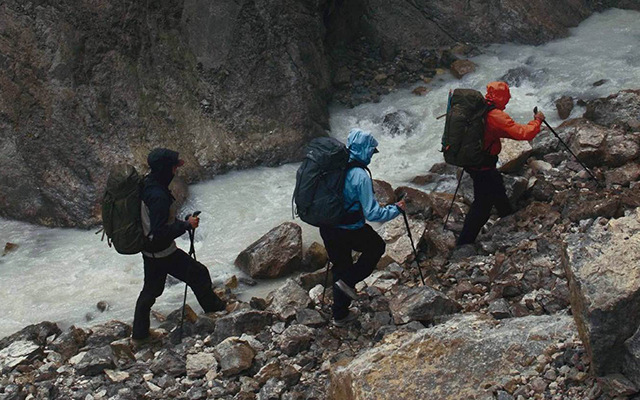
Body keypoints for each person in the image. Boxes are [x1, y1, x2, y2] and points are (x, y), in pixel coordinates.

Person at [132, 148, 226, 345]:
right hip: (162, 252)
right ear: (166, 168)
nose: (176, 170)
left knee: (151, 291)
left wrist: (179, 223)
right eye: (174, 166)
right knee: (199, 274)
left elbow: (154, 226)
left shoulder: (149, 184)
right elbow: (159, 232)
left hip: (150, 251)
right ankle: (218, 314)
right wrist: (186, 225)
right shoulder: (158, 195)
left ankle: (139, 335)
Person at [319, 129, 405, 326]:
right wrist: (395, 210)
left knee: (341, 265)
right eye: (372, 152)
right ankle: (348, 283)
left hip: (327, 226)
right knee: (376, 247)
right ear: (365, 150)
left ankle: (340, 315)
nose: (372, 156)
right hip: (350, 228)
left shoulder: (334, 165)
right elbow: (373, 214)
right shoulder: (359, 175)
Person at [457, 82, 545, 246]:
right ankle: (464, 243)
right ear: (500, 97)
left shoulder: (478, 108)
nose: (509, 98)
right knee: (482, 206)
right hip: (482, 165)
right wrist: (537, 121)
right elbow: (523, 133)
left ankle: (507, 215)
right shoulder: (495, 116)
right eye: (507, 95)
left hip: (475, 162)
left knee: (496, 183)